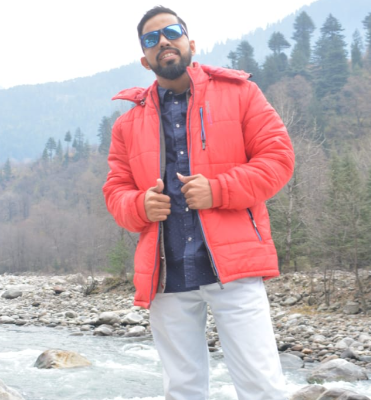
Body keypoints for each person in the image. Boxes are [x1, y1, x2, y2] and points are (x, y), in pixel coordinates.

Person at [103, 6, 294, 400]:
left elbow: (278, 160)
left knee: (262, 387)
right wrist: (139, 206)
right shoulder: (126, 124)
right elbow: (115, 190)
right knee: (182, 390)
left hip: (234, 268)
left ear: (190, 42)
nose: (163, 41)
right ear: (145, 59)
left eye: (171, 32)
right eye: (151, 39)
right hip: (166, 273)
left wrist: (219, 190)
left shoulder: (241, 93)